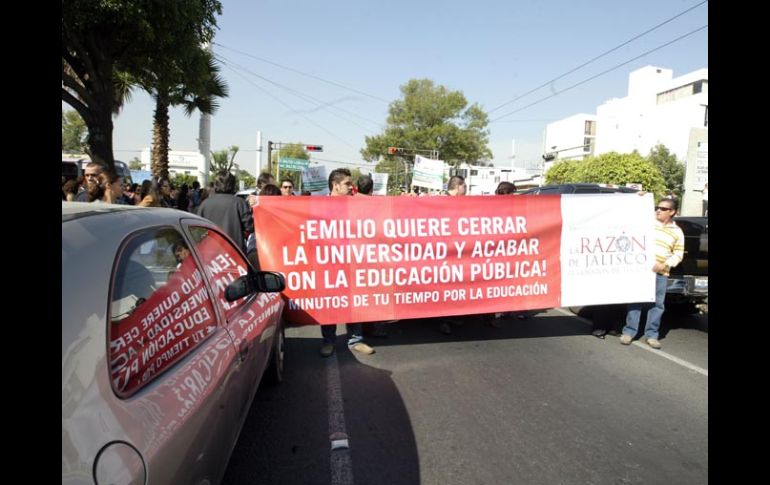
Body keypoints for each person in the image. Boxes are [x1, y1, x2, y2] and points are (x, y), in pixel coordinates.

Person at [320, 168, 375, 357]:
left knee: (354, 301)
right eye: (346, 184)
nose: (351, 187)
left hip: (352, 262)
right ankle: (328, 341)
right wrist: (258, 202)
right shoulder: (318, 204)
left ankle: (356, 340)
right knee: (329, 303)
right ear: (335, 185)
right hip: (329, 263)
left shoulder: (355, 204)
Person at [619, 198, 684, 349]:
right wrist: (639, 197)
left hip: (661, 273)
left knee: (657, 305)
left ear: (672, 212)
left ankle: (652, 335)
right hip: (641, 270)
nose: (658, 210)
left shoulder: (677, 232)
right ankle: (629, 332)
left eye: (663, 208)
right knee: (636, 301)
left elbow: (678, 254)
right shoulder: (647, 224)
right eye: (657, 207)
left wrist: (664, 264)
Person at [196, 171, 254, 254]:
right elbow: (250, 227)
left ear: (216, 184)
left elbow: (197, 230)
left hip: (210, 254)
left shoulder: (205, 204)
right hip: (235, 253)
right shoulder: (239, 203)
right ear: (233, 185)